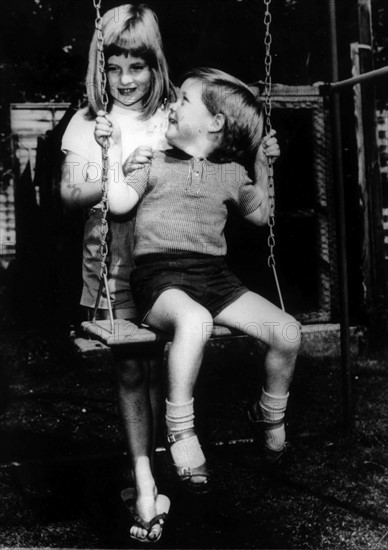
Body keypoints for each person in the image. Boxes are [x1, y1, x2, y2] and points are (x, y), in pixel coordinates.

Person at [96, 67, 301, 496]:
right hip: (161, 278)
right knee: (195, 322)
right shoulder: (152, 161)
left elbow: (261, 215)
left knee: (288, 331)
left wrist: (264, 166)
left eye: (182, 100)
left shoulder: (231, 175)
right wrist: (112, 150)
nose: (170, 105)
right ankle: (181, 429)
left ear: (215, 122)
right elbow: (117, 203)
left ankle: (270, 414)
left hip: (215, 276)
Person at [60, 4, 175, 543]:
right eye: (114, 67)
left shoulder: (174, 114)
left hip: (169, 254)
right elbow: (68, 194)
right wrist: (112, 175)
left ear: (156, 66)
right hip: (113, 257)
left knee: (161, 365)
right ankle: (144, 478)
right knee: (132, 368)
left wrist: (262, 154)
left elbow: (219, 160)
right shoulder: (90, 122)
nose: (126, 80)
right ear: (99, 68)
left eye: (138, 66)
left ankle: (161, 458)